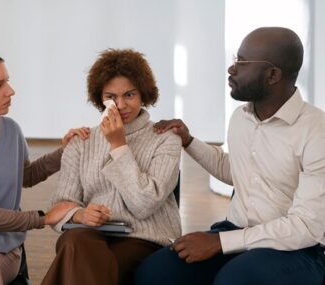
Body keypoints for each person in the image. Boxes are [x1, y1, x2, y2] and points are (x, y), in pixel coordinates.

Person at [135, 27, 325, 285]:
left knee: (234, 279)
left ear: (272, 75)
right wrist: (188, 141)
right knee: (154, 273)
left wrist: (219, 242)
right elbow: (237, 171)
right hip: (237, 232)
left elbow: (305, 228)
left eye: (242, 62)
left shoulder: (316, 131)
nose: (231, 69)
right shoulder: (242, 117)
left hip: (298, 248)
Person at [0, 47, 88, 285]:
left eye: (7, 82)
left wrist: (66, 151)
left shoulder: (11, 130)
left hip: (2, 249)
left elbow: (26, 175)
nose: (10, 91)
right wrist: (42, 218)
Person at [41, 48, 182, 285]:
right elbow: (58, 206)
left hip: (144, 237)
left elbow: (145, 204)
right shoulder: (82, 141)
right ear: (100, 98)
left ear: (143, 94)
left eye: (129, 95)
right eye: (111, 97)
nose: (120, 105)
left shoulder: (165, 138)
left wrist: (118, 146)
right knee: (75, 241)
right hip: (91, 234)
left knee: (78, 256)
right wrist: (80, 214)